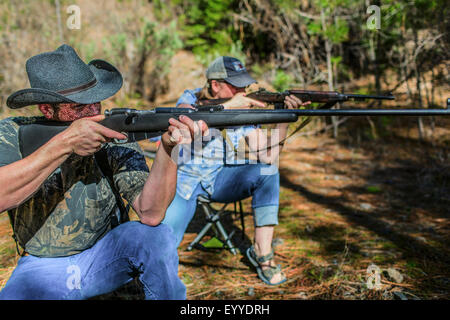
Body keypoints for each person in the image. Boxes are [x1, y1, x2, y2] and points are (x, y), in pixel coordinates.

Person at [0, 44, 208, 299]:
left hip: (107, 254)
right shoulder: (12, 133)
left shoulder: (115, 134)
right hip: (42, 266)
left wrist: (168, 150)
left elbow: (151, 213)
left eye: (95, 101)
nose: (93, 112)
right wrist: (66, 143)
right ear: (46, 109)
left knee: (156, 236)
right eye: (79, 107)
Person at [161, 56, 310, 285]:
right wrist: (229, 107)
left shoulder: (244, 109)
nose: (241, 89)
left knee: (269, 171)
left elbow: (269, 156)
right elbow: (183, 116)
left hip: (220, 179)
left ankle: (263, 255)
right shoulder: (191, 98)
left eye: (243, 84)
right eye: (235, 84)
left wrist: (283, 119)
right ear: (215, 85)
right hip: (184, 183)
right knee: (161, 248)